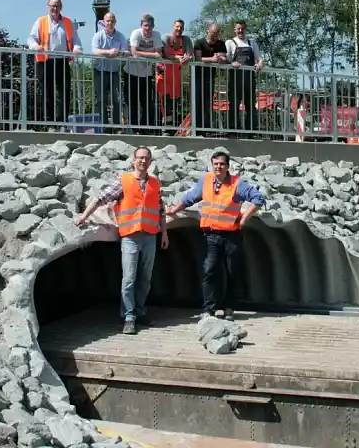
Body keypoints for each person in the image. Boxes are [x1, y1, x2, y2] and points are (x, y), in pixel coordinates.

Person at [75, 146, 169, 334]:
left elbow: (160, 209)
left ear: (150, 162)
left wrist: (164, 233)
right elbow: (100, 198)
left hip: (150, 236)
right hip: (130, 237)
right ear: (134, 160)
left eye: (146, 158)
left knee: (145, 279)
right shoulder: (124, 181)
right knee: (128, 279)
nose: (143, 161)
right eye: (140, 158)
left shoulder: (155, 183)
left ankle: (140, 311)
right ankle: (129, 317)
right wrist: (83, 217)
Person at [166, 151, 264, 321]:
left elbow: (258, 199)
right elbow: (190, 198)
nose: (219, 167)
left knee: (232, 272)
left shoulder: (236, 184)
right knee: (209, 271)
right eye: (216, 164)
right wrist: (174, 210)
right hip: (211, 235)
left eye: (222, 164)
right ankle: (209, 309)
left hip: (231, 236)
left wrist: (244, 219)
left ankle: (228, 307)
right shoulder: (206, 181)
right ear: (212, 165)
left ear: (228, 166)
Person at [26, 0, 82, 130]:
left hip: (62, 61)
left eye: (57, 6)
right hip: (45, 60)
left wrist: (76, 48)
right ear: (48, 7)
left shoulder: (68, 22)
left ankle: (63, 123)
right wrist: (35, 46)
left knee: (65, 92)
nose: (54, 8)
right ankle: (51, 124)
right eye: (52, 6)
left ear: (61, 8)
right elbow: (31, 38)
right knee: (47, 92)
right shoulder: (41, 21)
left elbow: (76, 40)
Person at [90, 12, 130, 133]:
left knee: (116, 99)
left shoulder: (120, 36)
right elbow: (94, 51)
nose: (110, 23)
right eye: (108, 21)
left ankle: (118, 126)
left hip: (114, 71)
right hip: (99, 71)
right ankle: (105, 126)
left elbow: (127, 52)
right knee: (101, 99)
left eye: (112, 20)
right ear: (104, 22)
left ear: (115, 22)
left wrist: (120, 53)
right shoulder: (98, 35)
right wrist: (108, 52)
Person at [125, 14, 163, 134]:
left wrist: (144, 54)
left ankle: (146, 128)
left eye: (150, 26)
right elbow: (134, 52)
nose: (148, 28)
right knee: (133, 103)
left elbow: (159, 54)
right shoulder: (136, 33)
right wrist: (152, 55)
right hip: (131, 72)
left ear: (153, 26)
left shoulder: (156, 35)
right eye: (145, 25)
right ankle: (135, 129)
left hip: (146, 74)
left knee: (147, 103)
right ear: (141, 25)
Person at [225, 20, 264, 136]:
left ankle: (251, 130)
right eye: (238, 29)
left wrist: (260, 64)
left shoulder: (252, 43)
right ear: (235, 30)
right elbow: (224, 59)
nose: (240, 31)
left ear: (245, 29)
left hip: (250, 79)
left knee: (251, 104)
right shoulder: (230, 42)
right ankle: (232, 130)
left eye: (242, 29)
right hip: (235, 79)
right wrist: (232, 63)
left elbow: (260, 58)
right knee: (234, 104)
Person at [156, 19, 193, 133]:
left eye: (181, 27)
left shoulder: (186, 39)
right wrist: (178, 58)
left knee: (174, 102)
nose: (179, 29)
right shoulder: (165, 38)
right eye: (177, 27)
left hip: (176, 75)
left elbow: (190, 53)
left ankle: (172, 127)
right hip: (164, 74)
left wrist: (188, 57)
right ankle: (165, 127)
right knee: (164, 102)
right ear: (173, 27)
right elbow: (165, 54)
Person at [192, 23, 228, 136]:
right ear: (207, 31)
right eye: (213, 33)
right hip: (197, 76)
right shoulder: (199, 42)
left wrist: (221, 59)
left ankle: (206, 128)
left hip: (211, 77)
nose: (215, 36)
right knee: (197, 102)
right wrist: (212, 59)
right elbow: (197, 58)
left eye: (217, 34)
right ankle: (196, 129)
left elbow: (224, 57)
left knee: (208, 102)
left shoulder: (221, 44)